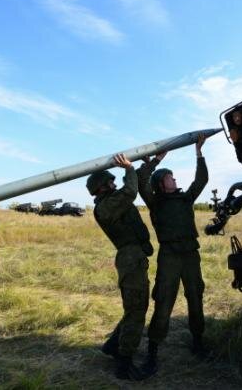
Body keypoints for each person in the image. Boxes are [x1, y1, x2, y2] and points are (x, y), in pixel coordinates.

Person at [137, 134, 209, 373]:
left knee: (195, 296)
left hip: (190, 255)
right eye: (170, 177)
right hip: (169, 256)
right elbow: (141, 180)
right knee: (164, 301)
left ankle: (198, 341)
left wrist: (199, 153)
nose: (174, 179)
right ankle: (153, 352)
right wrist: (155, 161)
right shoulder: (155, 202)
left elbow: (202, 180)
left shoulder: (185, 198)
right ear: (160, 184)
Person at [87, 154, 154, 381]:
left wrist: (150, 163)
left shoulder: (111, 201)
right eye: (110, 182)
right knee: (137, 310)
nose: (114, 185)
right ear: (102, 187)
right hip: (130, 259)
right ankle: (124, 363)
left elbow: (134, 185)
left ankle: (113, 346)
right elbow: (130, 191)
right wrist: (129, 168)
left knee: (134, 308)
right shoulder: (106, 207)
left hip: (134, 257)